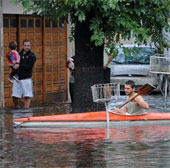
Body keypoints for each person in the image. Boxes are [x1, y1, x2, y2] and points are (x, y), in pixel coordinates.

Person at [12, 40, 36, 109]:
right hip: (18, 78)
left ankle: (26, 110)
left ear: (30, 46)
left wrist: (19, 65)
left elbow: (29, 66)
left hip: (26, 78)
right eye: (25, 45)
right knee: (15, 95)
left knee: (27, 95)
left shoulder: (32, 56)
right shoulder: (18, 55)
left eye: (28, 46)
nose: (26, 47)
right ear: (23, 46)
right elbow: (14, 65)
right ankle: (17, 107)